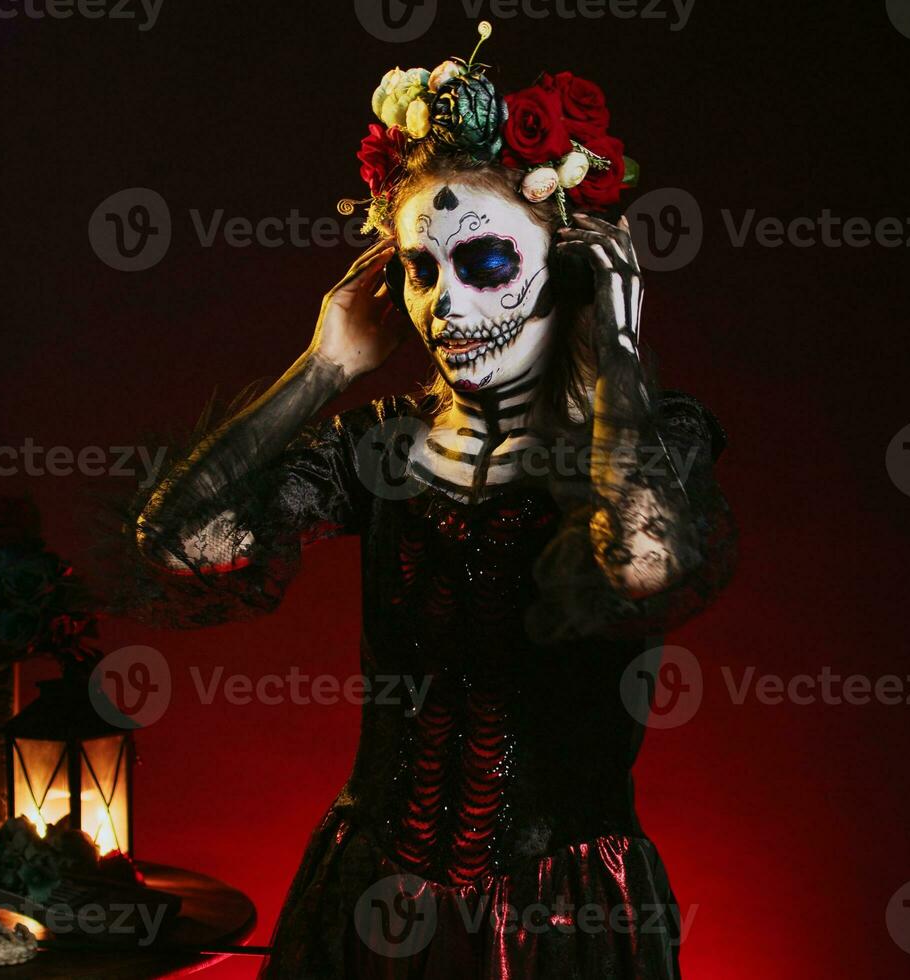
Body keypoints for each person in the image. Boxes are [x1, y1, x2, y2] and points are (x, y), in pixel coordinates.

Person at [129, 27, 733, 977]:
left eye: (485, 263)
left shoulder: (653, 444)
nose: (443, 304)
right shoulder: (380, 447)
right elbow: (176, 540)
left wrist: (615, 353)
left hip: (562, 921)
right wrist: (321, 366)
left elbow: (642, 564)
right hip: (374, 905)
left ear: (568, 268)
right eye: (420, 269)